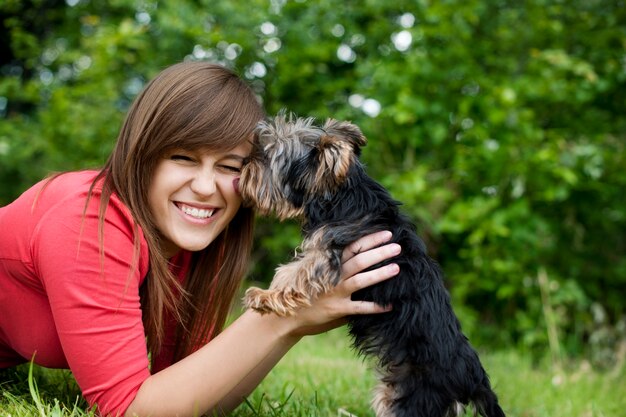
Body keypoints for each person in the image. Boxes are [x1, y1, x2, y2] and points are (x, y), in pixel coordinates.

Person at [0, 61, 401, 417]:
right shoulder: (88, 222)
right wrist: (284, 316)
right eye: (183, 158)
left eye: (229, 166)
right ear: (141, 154)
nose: (206, 187)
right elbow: (128, 409)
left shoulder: (192, 241)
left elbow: (189, 398)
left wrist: (291, 328)